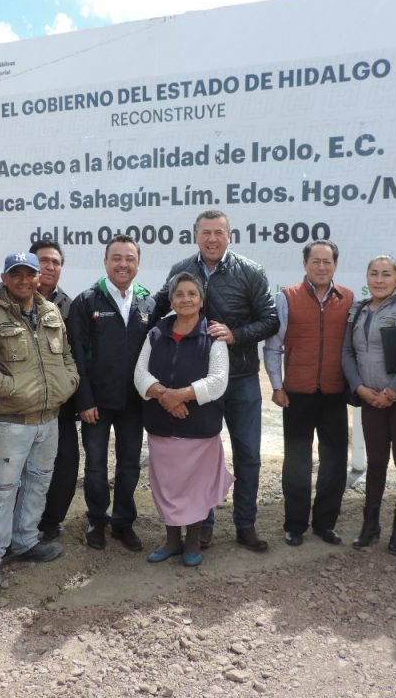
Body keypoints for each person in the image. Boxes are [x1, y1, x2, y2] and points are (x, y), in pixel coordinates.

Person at [151, 210, 279, 551]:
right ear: (195, 235)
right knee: (199, 455)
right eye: (206, 232)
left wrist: (234, 334)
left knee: (248, 453)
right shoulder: (181, 271)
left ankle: (245, 524)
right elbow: (158, 309)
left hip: (240, 380)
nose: (212, 238)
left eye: (219, 232)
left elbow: (270, 321)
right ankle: (201, 525)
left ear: (229, 236)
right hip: (198, 385)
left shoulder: (251, 271)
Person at [0, 252, 79, 589]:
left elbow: (66, 355)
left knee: (38, 480)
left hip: (49, 418)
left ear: (37, 277)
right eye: (14, 274)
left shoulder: (50, 310)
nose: (22, 280)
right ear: (4, 278)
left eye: (28, 274)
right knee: (3, 489)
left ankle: (25, 541)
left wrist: (68, 383)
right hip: (11, 420)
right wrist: (13, 389)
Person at [135, 272, 233, 566]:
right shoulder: (155, 334)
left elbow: (218, 381)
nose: (186, 299)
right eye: (180, 294)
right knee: (167, 486)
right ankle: (172, 540)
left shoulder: (213, 337)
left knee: (195, 487)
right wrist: (166, 396)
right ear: (172, 300)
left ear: (201, 300)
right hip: (162, 426)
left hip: (199, 428)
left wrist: (182, 395)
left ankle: (193, 542)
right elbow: (140, 374)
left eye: (192, 294)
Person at [264, 240, 354, 546]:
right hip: (297, 395)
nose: (321, 267)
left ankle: (325, 524)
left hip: (333, 395)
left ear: (335, 265)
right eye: (315, 261)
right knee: (297, 464)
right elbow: (274, 346)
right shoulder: (287, 297)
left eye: (327, 262)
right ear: (305, 265)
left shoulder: (348, 298)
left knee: (334, 462)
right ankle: (295, 525)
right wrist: (277, 386)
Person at [69, 235, 154, 551]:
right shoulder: (87, 301)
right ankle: (96, 520)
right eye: (116, 257)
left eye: (130, 258)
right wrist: (85, 400)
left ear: (137, 263)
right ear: (105, 262)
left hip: (134, 402)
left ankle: (123, 523)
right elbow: (76, 354)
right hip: (97, 404)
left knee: (130, 463)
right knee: (95, 465)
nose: (123, 264)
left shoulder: (148, 302)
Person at [342, 254, 396, 554]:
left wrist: (392, 392)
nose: (379, 280)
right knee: (376, 461)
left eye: (386, 274)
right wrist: (359, 388)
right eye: (374, 274)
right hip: (370, 399)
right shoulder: (359, 310)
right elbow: (347, 354)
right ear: (367, 278)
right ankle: (370, 524)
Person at [32, 239, 80, 542]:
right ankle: (22, 524)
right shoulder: (6, 300)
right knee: (25, 469)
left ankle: (51, 523)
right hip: (21, 406)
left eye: (55, 262)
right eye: (43, 261)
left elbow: (76, 355)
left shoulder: (70, 305)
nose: (49, 267)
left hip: (61, 405)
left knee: (65, 466)